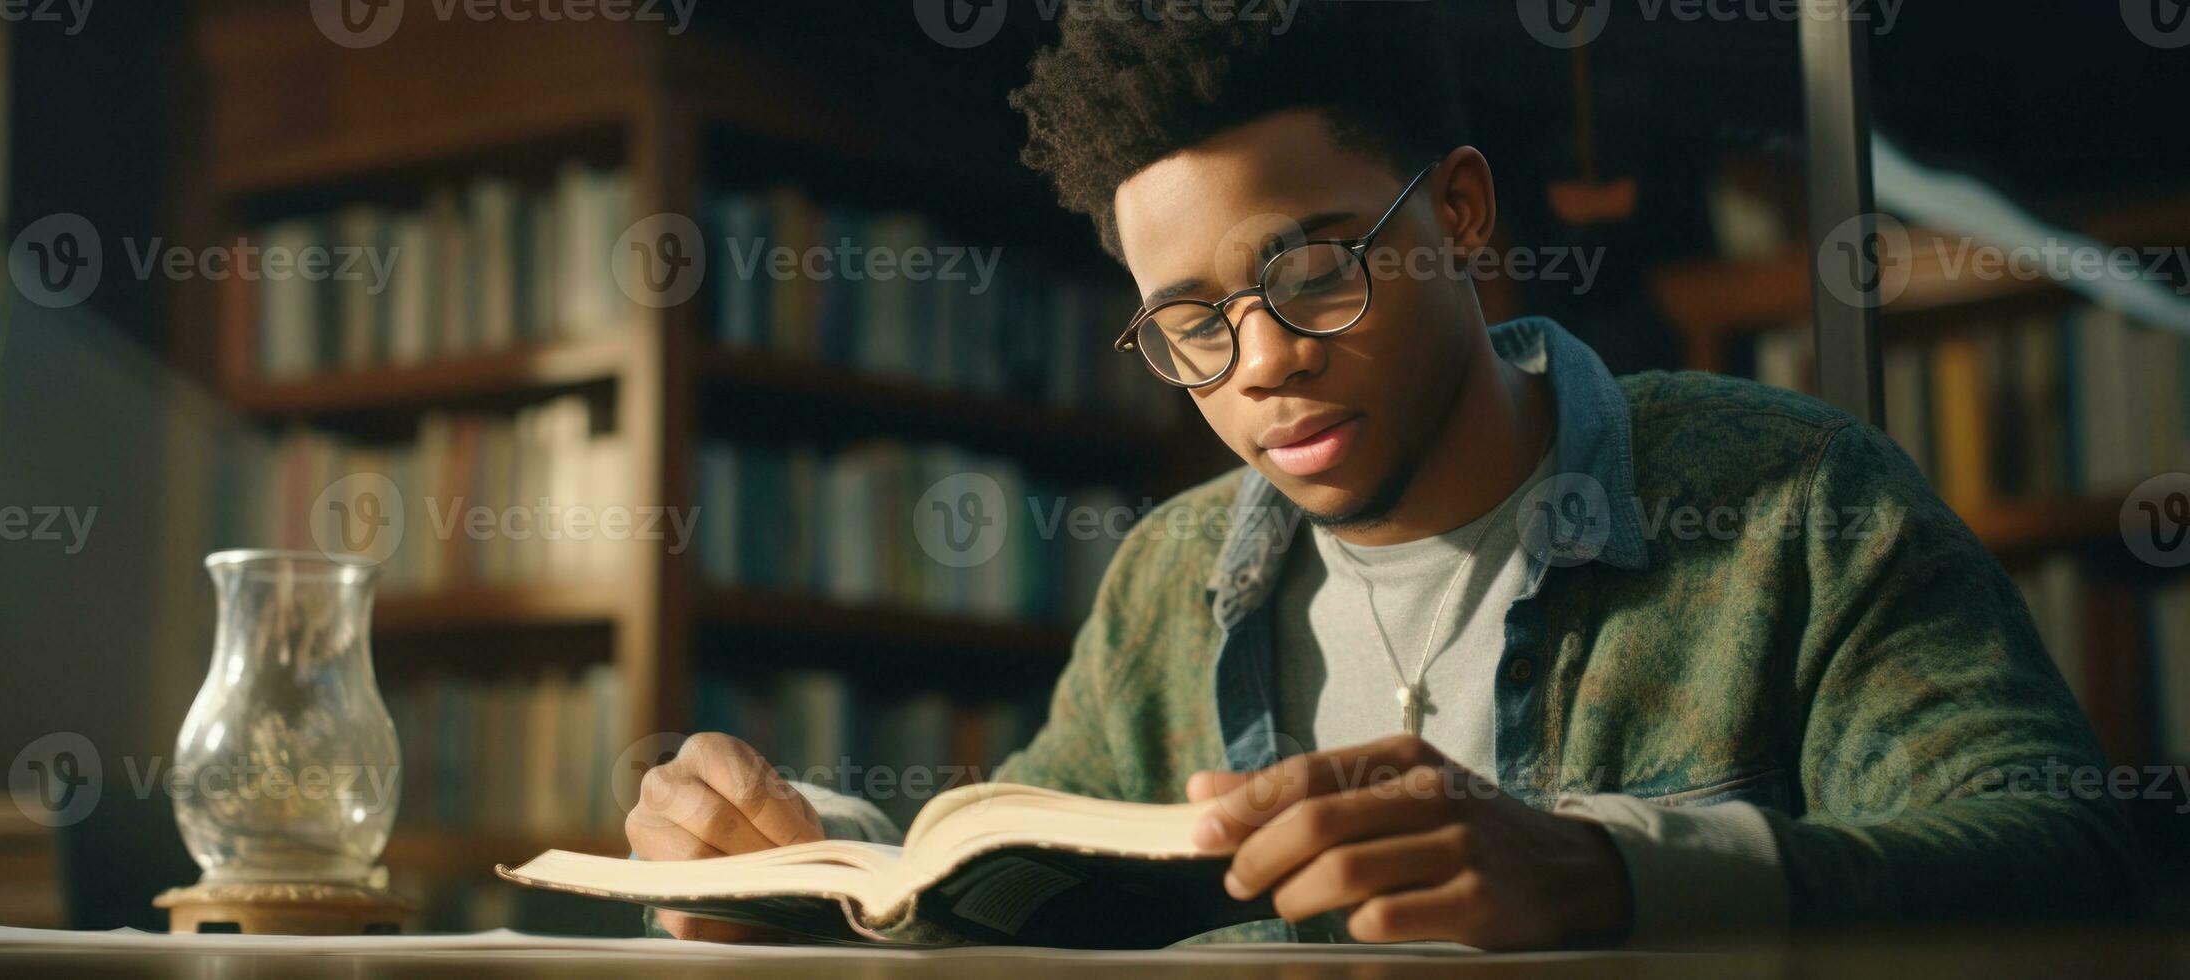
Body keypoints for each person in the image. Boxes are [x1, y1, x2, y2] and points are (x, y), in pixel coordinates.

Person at [627, 2, 2133, 947]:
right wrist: (811, 861)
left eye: (1312, 271)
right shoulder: (1175, 570)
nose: (1260, 363)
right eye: (1191, 325)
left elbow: (2073, 852)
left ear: (1466, 217)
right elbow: (1032, 856)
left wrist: (1616, 875)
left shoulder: (1792, 500)